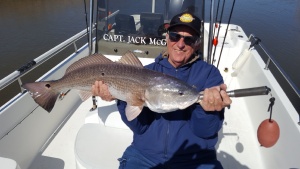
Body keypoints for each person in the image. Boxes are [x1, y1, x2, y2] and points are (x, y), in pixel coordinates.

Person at [92, 12, 232, 169]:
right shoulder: (147, 71)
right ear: (166, 38)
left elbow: (205, 131)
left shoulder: (209, 75)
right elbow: (140, 127)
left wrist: (208, 111)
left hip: (194, 158)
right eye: (174, 36)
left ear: (197, 44)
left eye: (189, 39)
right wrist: (120, 97)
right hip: (144, 155)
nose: (180, 44)